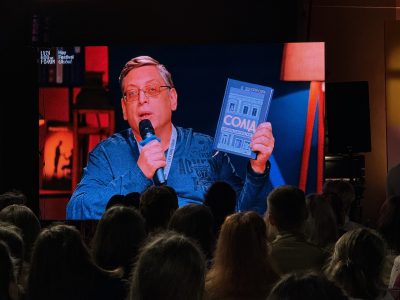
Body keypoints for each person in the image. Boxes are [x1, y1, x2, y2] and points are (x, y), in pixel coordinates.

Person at [66, 55, 275, 219]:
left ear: (172, 99)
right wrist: (138, 174)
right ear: (123, 108)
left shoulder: (206, 148)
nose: (142, 99)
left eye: (152, 89)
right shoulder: (107, 154)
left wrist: (257, 170)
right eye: (131, 93)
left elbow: (242, 216)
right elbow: (76, 211)